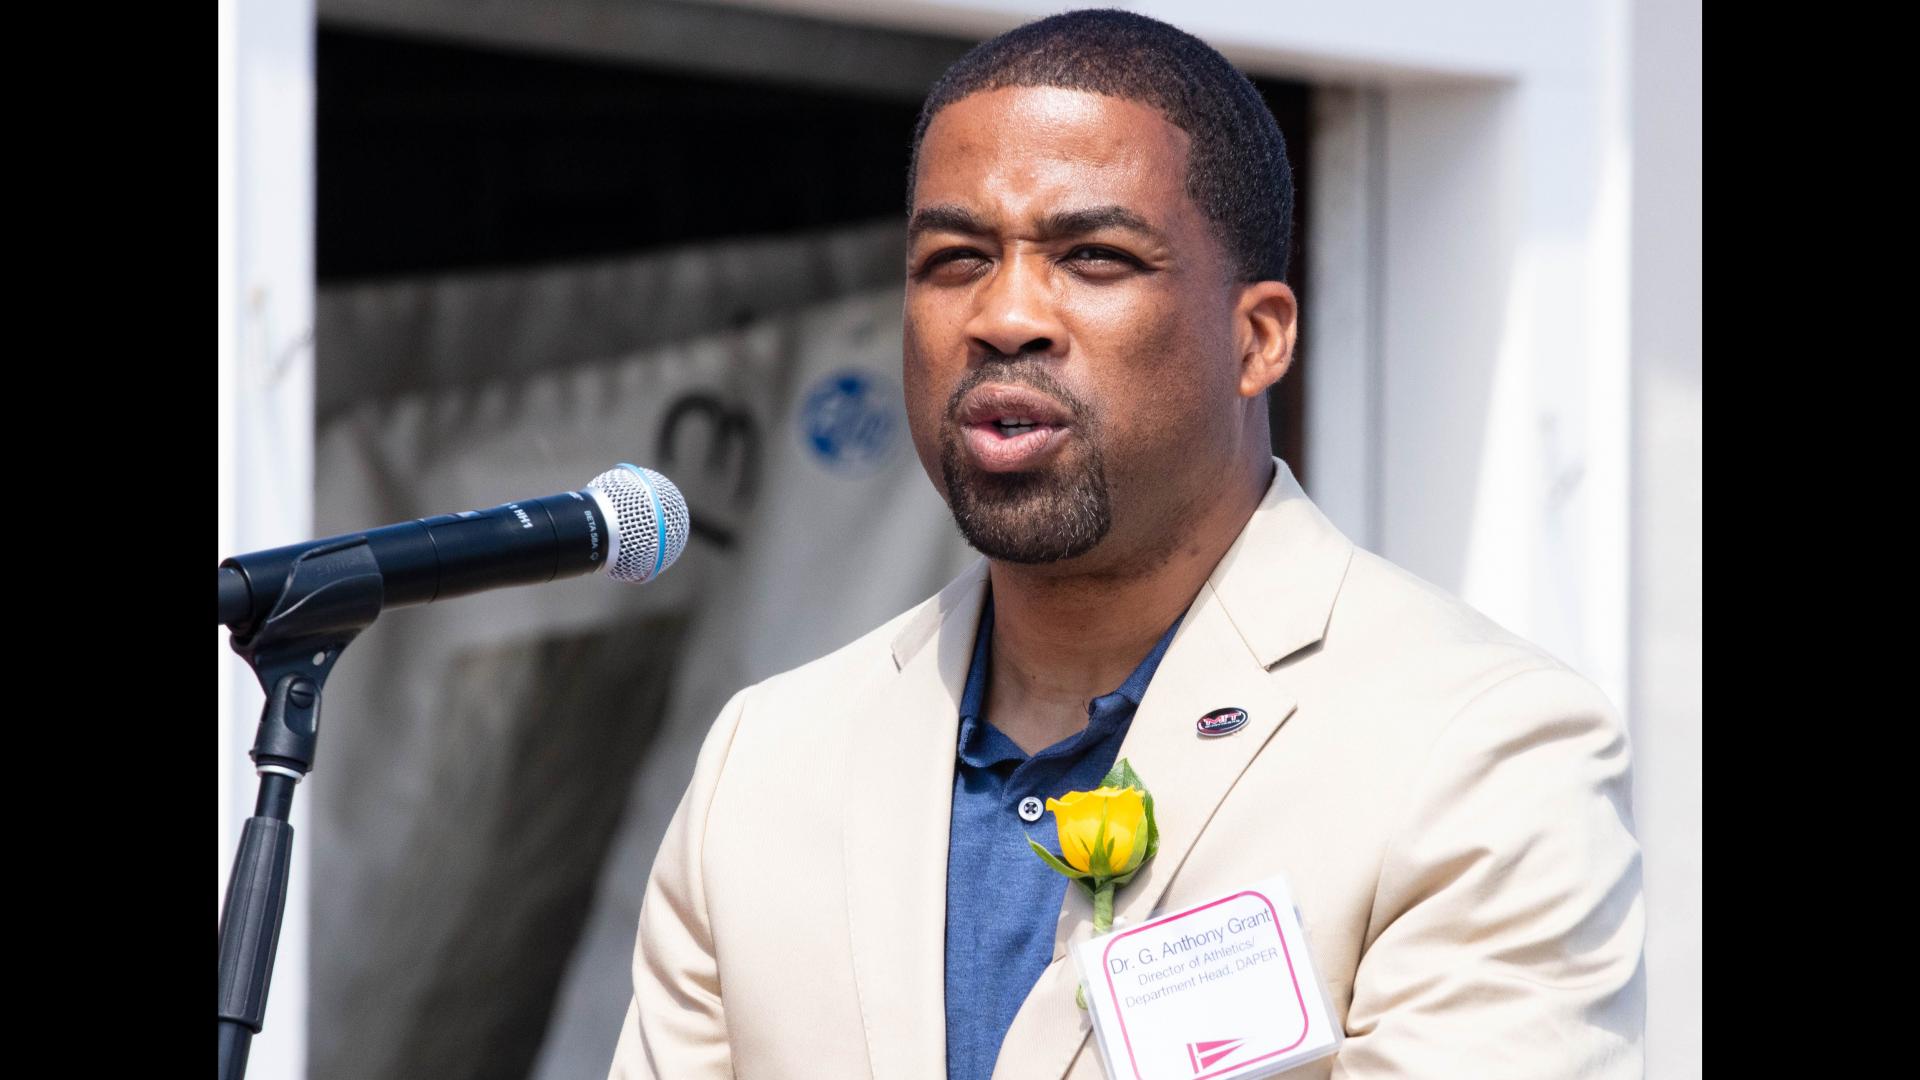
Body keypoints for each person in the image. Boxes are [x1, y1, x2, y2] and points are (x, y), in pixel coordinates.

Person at [608, 10, 1643, 1080]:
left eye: (1093, 257)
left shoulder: (1478, 748)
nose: (1006, 314)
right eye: (955, 258)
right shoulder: (769, 761)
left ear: (1258, 337)